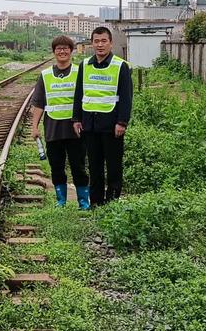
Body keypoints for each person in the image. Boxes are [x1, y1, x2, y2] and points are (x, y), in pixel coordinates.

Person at [72, 26, 132, 207]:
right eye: (96, 41)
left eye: (103, 41)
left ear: (110, 43)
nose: (100, 45)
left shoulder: (120, 66)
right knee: (95, 165)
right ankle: (96, 203)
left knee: (113, 166)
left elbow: (126, 97)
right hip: (90, 125)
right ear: (92, 43)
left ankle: (112, 202)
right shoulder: (85, 65)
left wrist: (122, 122)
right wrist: (76, 119)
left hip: (112, 124)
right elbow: (79, 93)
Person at [31, 35, 90, 210]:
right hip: (53, 129)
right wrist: (34, 126)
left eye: (65, 48)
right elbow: (39, 103)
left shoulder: (80, 72)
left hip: (76, 129)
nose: (62, 51)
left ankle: (83, 202)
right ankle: (61, 200)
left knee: (78, 166)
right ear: (54, 52)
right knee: (56, 167)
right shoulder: (46, 75)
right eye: (59, 49)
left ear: (71, 51)